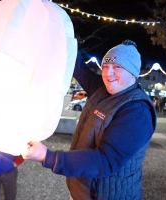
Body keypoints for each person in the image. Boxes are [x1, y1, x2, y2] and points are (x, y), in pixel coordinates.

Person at [22, 40, 157, 199]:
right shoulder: (102, 90)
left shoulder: (137, 111)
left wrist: (48, 156)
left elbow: (105, 160)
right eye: (105, 67)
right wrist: (61, 32)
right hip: (83, 192)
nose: (108, 73)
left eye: (117, 67)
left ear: (133, 72)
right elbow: (76, 64)